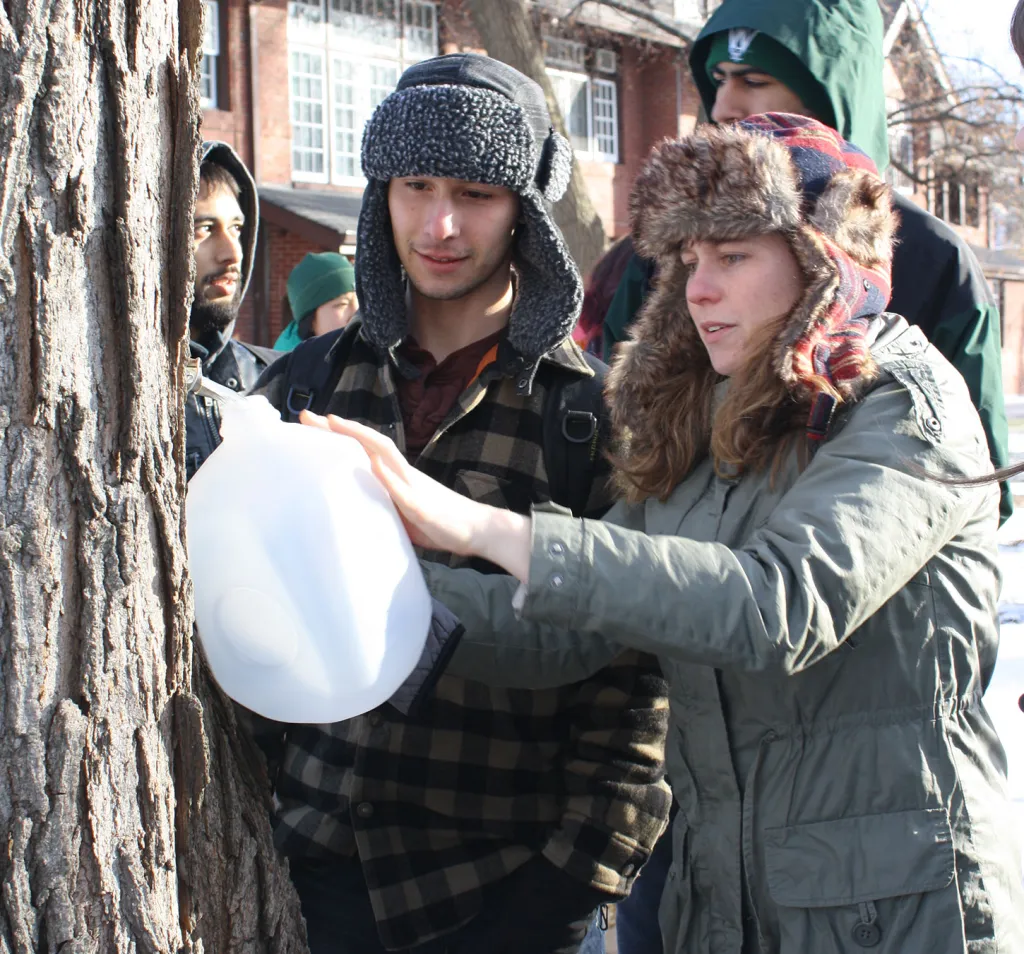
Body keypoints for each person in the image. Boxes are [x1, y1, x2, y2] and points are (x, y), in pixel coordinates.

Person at [312, 114, 1024, 954]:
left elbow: (776, 605)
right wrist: (360, 582)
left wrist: (482, 526)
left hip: (898, 914)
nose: (698, 290)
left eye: (733, 256)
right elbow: (568, 632)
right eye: (687, 260)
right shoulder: (706, 417)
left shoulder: (902, 405)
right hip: (723, 905)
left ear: (824, 260)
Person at [249, 53, 671, 954]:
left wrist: (564, 889)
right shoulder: (302, 387)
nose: (440, 224)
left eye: (476, 192)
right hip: (308, 872)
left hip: (500, 890)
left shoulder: (594, 419)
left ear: (526, 205)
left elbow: (639, 691)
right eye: (416, 185)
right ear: (383, 194)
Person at [602, 0, 1013, 526]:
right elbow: (619, 442)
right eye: (718, 80)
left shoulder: (937, 260)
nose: (725, 106)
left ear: (831, 95)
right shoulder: (651, 258)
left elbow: (977, 483)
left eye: (753, 80)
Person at [186, 141, 275, 479]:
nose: (231, 253)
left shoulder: (275, 377)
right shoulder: (117, 393)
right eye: (204, 229)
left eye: (236, 228)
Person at [273, 251, 358, 351]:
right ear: (310, 321)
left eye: (360, 302)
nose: (356, 312)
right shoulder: (292, 364)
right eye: (342, 304)